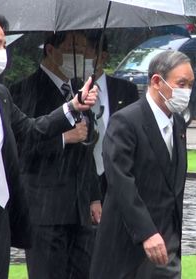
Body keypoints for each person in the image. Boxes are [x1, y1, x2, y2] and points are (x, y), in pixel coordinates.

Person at [0, 12, 97, 279]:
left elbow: (31, 130)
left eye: (4, 45)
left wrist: (72, 107)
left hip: (0, 218)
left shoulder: (1, 95)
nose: (3, 53)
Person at [89, 50, 193, 279]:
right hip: (128, 247)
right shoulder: (126, 121)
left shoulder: (178, 124)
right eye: (181, 84)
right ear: (157, 81)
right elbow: (120, 181)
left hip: (168, 245)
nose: (186, 92)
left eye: (190, 85)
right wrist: (147, 232)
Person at [8, 31, 101, 279]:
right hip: (45, 208)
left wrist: (93, 196)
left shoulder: (78, 89)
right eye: (73, 47)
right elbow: (21, 144)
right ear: (51, 50)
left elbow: (86, 148)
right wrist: (63, 138)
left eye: (83, 48)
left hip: (79, 208)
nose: (79, 54)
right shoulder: (22, 91)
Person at [84, 31, 139, 201]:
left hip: (116, 177)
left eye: (86, 52)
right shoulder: (70, 92)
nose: (82, 57)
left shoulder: (126, 90)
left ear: (103, 56)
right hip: (81, 180)